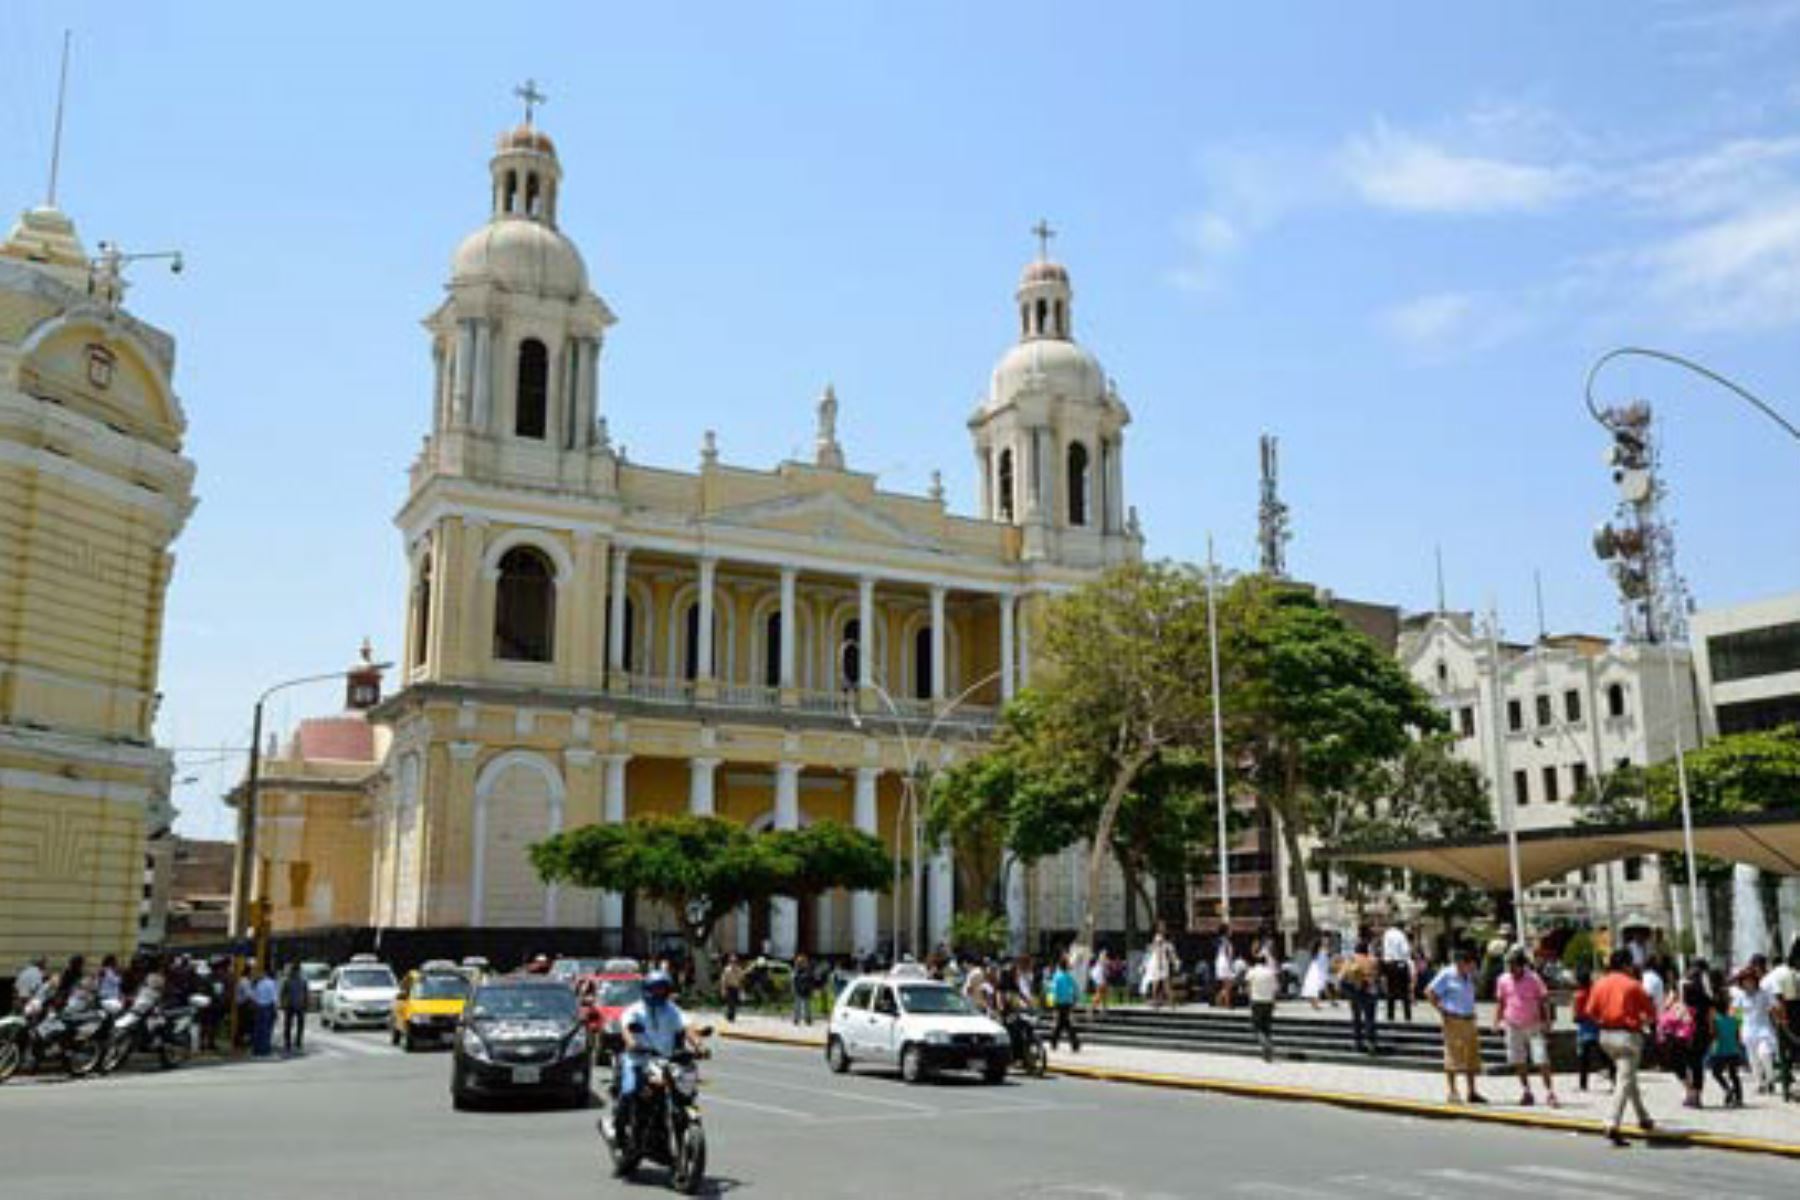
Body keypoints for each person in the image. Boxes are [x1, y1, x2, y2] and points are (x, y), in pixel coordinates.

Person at [614, 971, 703, 1136]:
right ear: (647, 989)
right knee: (630, 1091)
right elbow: (627, 1029)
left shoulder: (671, 1009)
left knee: (683, 1091)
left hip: (665, 1062)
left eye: (662, 989)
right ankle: (619, 1130)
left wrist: (698, 1044)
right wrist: (632, 1043)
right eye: (655, 989)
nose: (659, 993)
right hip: (638, 1060)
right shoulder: (634, 1010)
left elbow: (687, 1026)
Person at [1589, 948, 1658, 1146]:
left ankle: (1643, 1117)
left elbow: (1590, 1012)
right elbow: (1650, 1013)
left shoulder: (1599, 984)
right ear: (1627, 965)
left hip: (1605, 1036)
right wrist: (1640, 1020)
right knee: (1624, 1079)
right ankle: (1612, 1122)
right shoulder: (1633, 985)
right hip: (1627, 1036)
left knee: (1627, 1077)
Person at [1493, 948, 1557, 1107]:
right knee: (1518, 1060)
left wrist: (1547, 1021)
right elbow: (1501, 1002)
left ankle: (1550, 1092)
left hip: (1533, 1024)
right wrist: (1496, 1020)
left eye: (1514, 966)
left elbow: (1543, 1000)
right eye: (1510, 966)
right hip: (1512, 1024)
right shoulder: (1503, 979)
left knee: (1542, 1059)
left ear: (1522, 965)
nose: (1512, 969)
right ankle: (1526, 1091)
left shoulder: (1534, 979)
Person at [1426, 947, 1486, 1105]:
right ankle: (1453, 1091)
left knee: (1471, 1057)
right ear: (1462, 963)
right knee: (1453, 1056)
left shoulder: (1469, 976)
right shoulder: (1447, 974)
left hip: (1469, 1019)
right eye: (1471, 965)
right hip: (1454, 1019)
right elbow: (1430, 992)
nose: (1473, 968)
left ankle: (1472, 1092)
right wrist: (1442, 1011)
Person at [1662, 961, 1713, 1109]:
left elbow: (1667, 1005)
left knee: (1676, 1061)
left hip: (1680, 1031)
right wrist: (1712, 1033)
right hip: (1700, 1032)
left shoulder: (1679, 988)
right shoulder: (1706, 996)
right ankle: (1696, 1096)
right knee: (1696, 1063)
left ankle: (1689, 1090)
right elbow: (1710, 1017)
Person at [1733, 958, 1778, 1095]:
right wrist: (1737, 1028)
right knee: (1753, 1060)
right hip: (1748, 1031)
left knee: (1764, 1054)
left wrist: (1778, 1018)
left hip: (1764, 1029)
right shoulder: (1740, 996)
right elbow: (1736, 1013)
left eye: (1750, 980)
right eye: (1745, 981)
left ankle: (1770, 1080)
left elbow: (1774, 1007)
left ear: (1755, 980)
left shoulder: (1764, 993)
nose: (1748, 983)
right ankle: (1760, 1083)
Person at [1708, 968, 1746, 1108]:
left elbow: (1713, 1033)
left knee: (1716, 1073)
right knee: (1734, 1074)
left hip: (1720, 1049)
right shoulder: (1734, 1015)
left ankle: (1727, 1089)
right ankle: (1739, 1098)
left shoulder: (1714, 1017)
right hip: (1733, 1049)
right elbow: (1739, 1027)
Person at [1572, 965, 1614, 1091]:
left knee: (1584, 1060)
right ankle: (1614, 1080)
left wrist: (1582, 1016)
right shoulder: (1596, 991)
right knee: (1605, 1057)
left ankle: (1583, 1085)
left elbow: (1575, 1017)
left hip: (1585, 1030)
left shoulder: (1578, 995)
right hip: (1599, 1028)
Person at [1342, 940, 1381, 1055]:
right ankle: (1371, 1044)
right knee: (1369, 1018)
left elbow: (1342, 977)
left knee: (1356, 1017)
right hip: (1368, 990)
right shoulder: (1372, 960)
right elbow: (1376, 976)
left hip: (1354, 991)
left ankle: (1357, 1042)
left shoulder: (1350, 960)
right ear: (1366, 949)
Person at [1245, 953, 1281, 1063]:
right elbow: (1275, 988)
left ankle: (1265, 1044)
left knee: (1257, 1027)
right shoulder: (1271, 972)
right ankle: (1268, 1053)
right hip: (1268, 1001)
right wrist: (1274, 1001)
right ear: (1265, 962)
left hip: (1256, 1001)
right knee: (1267, 1027)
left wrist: (1249, 1000)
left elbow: (1248, 987)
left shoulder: (1252, 972)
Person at [1380, 921, 1413, 1023]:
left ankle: (1390, 1015)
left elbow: (1385, 950)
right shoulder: (1401, 935)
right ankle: (1407, 1015)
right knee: (1404, 991)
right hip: (1400, 964)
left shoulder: (1386, 934)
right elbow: (1405, 951)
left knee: (1391, 991)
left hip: (1389, 964)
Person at [1047, 955, 1081, 1052]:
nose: (1069, 965)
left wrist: (1051, 1002)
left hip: (1058, 1003)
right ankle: (1074, 1044)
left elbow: (1052, 990)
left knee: (1062, 1024)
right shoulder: (1068, 976)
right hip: (1067, 1003)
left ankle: (1055, 1042)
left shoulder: (1057, 976)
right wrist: (1076, 998)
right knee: (1066, 1024)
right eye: (1068, 964)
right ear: (1065, 966)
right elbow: (1076, 988)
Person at [250, 964, 279, 1058]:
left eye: (260, 973)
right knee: (265, 1030)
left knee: (259, 1029)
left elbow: (255, 997)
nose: (258, 974)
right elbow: (274, 998)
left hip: (261, 1008)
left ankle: (258, 1049)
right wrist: (275, 1010)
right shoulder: (270, 983)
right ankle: (264, 1050)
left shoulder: (261, 983)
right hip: (266, 1008)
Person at [280, 962, 309, 1055]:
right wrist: (306, 1004)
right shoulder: (300, 980)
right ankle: (295, 1042)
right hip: (296, 1005)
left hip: (292, 1005)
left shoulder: (289, 980)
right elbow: (306, 994)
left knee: (290, 1025)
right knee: (294, 1025)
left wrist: (282, 1004)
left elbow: (282, 993)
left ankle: (291, 1042)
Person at [1300, 939, 1331, 1010]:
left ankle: (1315, 1004)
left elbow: (1324, 962)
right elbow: (1325, 962)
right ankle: (1316, 1004)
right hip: (1319, 971)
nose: (1326, 945)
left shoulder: (1317, 952)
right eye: (1324, 944)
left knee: (1315, 987)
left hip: (1315, 970)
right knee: (1316, 988)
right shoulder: (1322, 952)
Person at [791, 954, 816, 1026]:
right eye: (800, 962)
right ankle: (797, 1019)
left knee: (806, 1006)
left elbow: (811, 981)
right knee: (798, 1006)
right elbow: (794, 981)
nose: (801, 963)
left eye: (802, 962)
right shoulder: (796, 971)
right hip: (799, 991)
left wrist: (811, 989)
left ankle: (807, 1019)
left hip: (805, 991)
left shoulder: (808, 971)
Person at [719, 955, 744, 1024]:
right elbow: (723, 980)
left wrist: (741, 989)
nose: (733, 963)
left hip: (736, 988)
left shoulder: (739, 969)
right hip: (729, 988)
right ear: (729, 962)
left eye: (735, 961)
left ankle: (730, 1016)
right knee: (731, 1003)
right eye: (732, 961)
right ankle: (730, 1017)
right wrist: (723, 989)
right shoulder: (727, 970)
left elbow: (741, 979)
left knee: (735, 1003)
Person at [1088, 948, 1111, 1016]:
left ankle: (1104, 1008)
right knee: (1100, 994)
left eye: (1105, 954)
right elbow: (1103, 971)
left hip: (1101, 979)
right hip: (1100, 979)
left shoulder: (1102, 961)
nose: (1106, 955)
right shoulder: (1102, 961)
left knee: (1104, 994)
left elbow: (1106, 971)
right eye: (1104, 954)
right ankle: (1092, 1008)